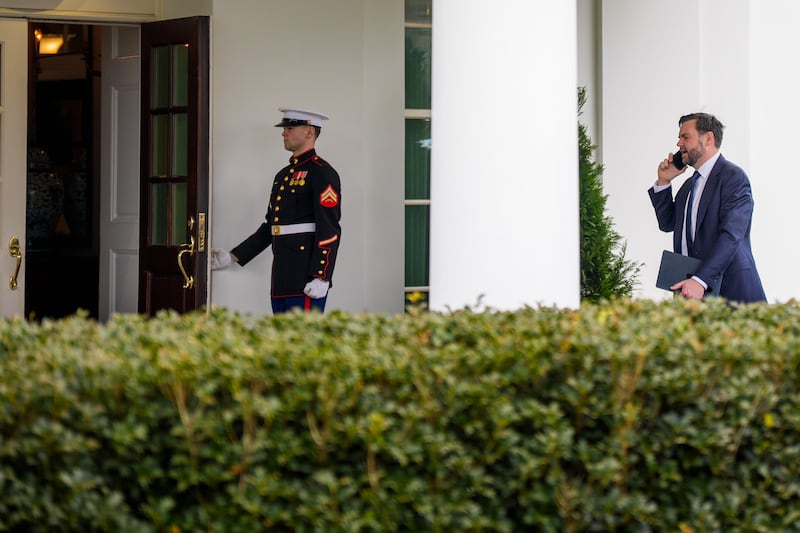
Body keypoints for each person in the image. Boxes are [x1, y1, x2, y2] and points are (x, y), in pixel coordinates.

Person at [211, 108, 342, 313]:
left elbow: (329, 228)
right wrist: (233, 256)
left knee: (302, 334)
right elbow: (271, 227)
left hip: (306, 279)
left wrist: (321, 276)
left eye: (290, 128)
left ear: (309, 132)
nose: (283, 133)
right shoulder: (282, 176)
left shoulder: (322, 172)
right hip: (281, 279)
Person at [648, 112, 765, 303]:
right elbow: (667, 223)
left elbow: (732, 235)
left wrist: (700, 280)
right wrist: (664, 181)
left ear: (708, 138)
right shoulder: (688, 186)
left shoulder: (733, 178)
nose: (679, 143)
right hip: (691, 291)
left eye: (685, 137)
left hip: (729, 291)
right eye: (679, 138)